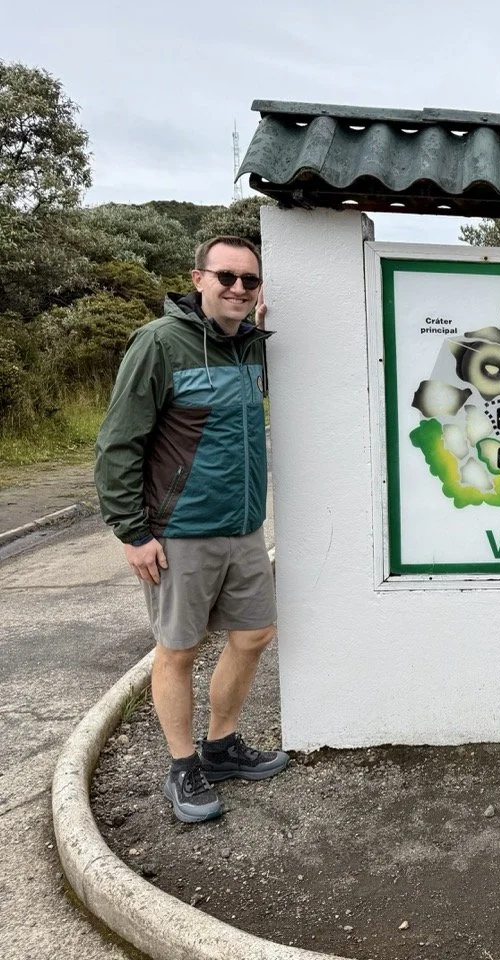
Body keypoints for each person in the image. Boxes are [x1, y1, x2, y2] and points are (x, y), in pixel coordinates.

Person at [95, 236, 288, 823]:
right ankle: (183, 766)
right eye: (225, 276)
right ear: (197, 278)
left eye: (248, 280)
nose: (236, 287)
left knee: (254, 634)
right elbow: (118, 443)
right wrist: (132, 533)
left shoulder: (252, 347)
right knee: (178, 649)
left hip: (245, 527)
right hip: (179, 531)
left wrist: (252, 325)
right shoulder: (160, 344)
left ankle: (222, 746)